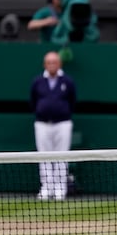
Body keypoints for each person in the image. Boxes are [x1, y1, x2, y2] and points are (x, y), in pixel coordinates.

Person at [31, 51, 77, 201]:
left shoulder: (67, 81)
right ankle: (46, 188)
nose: (52, 65)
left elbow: (72, 100)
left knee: (62, 156)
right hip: (42, 124)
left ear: (59, 64)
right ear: (45, 64)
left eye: (54, 62)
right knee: (43, 156)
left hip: (63, 123)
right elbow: (33, 101)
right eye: (49, 62)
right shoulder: (37, 82)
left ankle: (59, 190)